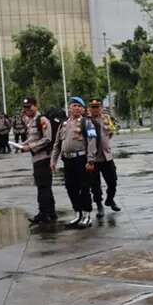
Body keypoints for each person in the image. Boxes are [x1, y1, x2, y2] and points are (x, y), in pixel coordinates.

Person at [51, 97, 97, 229]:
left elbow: (92, 141)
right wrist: (53, 160)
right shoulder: (63, 124)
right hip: (68, 160)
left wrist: (90, 160)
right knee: (71, 187)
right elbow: (57, 144)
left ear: (82, 109)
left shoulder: (86, 123)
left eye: (79, 106)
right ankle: (78, 213)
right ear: (69, 108)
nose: (76, 108)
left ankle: (87, 215)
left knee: (84, 188)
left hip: (81, 160)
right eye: (73, 105)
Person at [20, 98, 56, 224]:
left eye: (29, 107)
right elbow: (32, 138)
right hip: (36, 158)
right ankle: (50, 213)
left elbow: (47, 139)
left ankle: (44, 213)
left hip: (44, 158)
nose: (27, 110)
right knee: (44, 187)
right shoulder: (31, 121)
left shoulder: (42, 120)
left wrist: (30, 147)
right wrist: (22, 145)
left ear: (36, 106)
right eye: (25, 107)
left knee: (43, 187)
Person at [87, 98, 121, 219]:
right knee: (95, 185)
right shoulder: (87, 121)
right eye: (93, 107)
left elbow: (112, 131)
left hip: (107, 157)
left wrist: (106, 143)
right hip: (94, 159)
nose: (95, 109)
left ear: (101, 107)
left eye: (97, 107)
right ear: (89, 108)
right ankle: (100, 205)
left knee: (113, 181)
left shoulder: (106, 118)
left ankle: (110, 199)